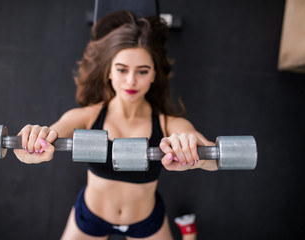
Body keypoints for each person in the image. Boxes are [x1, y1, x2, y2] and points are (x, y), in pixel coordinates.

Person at [13, 11, 218, 240]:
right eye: (122, 69)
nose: (131, 80)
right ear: (109, 71)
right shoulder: (87, 117)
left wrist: (197, 150)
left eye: (142, 71)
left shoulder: (169, 123)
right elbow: (50, 134)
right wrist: (31, 144)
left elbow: (213, 158)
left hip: (146, 221)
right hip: (90, 217)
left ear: (153, 76)